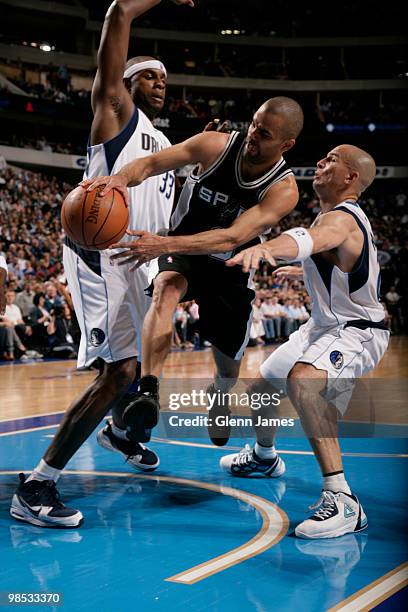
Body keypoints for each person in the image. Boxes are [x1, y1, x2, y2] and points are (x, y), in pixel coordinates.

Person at [10, 0, 194, 529]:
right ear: (127, 83)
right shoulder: (116, 115)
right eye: (150, 75)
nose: (160, 82)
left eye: (165, 78)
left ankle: (116, 433)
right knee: (119, 373)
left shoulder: (165, 146)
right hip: (102, 257)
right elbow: (117, 14)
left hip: (141, 263)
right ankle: (38, 484)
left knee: (145, 362)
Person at [82, 96, 304, 449]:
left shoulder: (284, 189)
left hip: (231, 265)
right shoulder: (215, 144)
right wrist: (121, 179)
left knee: (228, 369)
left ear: (286, 144)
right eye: (253, 125)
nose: (252, 135)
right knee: (166, 289)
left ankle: (220, 394)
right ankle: (149, 391)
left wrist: (164, 245)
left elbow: (233, 237)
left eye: (264, 134)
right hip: (184, 252)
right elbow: (152, 162)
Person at [220, 144, 390, 539]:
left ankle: (344, 500)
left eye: (331, 160)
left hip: (358, 330)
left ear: (351, 178)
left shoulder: (342, 219)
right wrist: (303, 272)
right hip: (323, 325)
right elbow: (340, 262)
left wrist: (266, 248)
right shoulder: (335, 219)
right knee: (263, 386)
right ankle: (264, 457)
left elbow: (309, 238)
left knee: (304, 381)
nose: (320, 162)